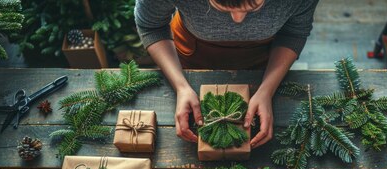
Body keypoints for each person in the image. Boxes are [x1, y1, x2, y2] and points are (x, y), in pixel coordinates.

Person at [135, 0, 319, 147]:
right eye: (221, 6)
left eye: (253, 5)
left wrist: (267, 90)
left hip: (264, 61)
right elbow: (151, 26)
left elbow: (294, 32)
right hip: (191, 54)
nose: (238, 20)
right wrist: (181, 86)